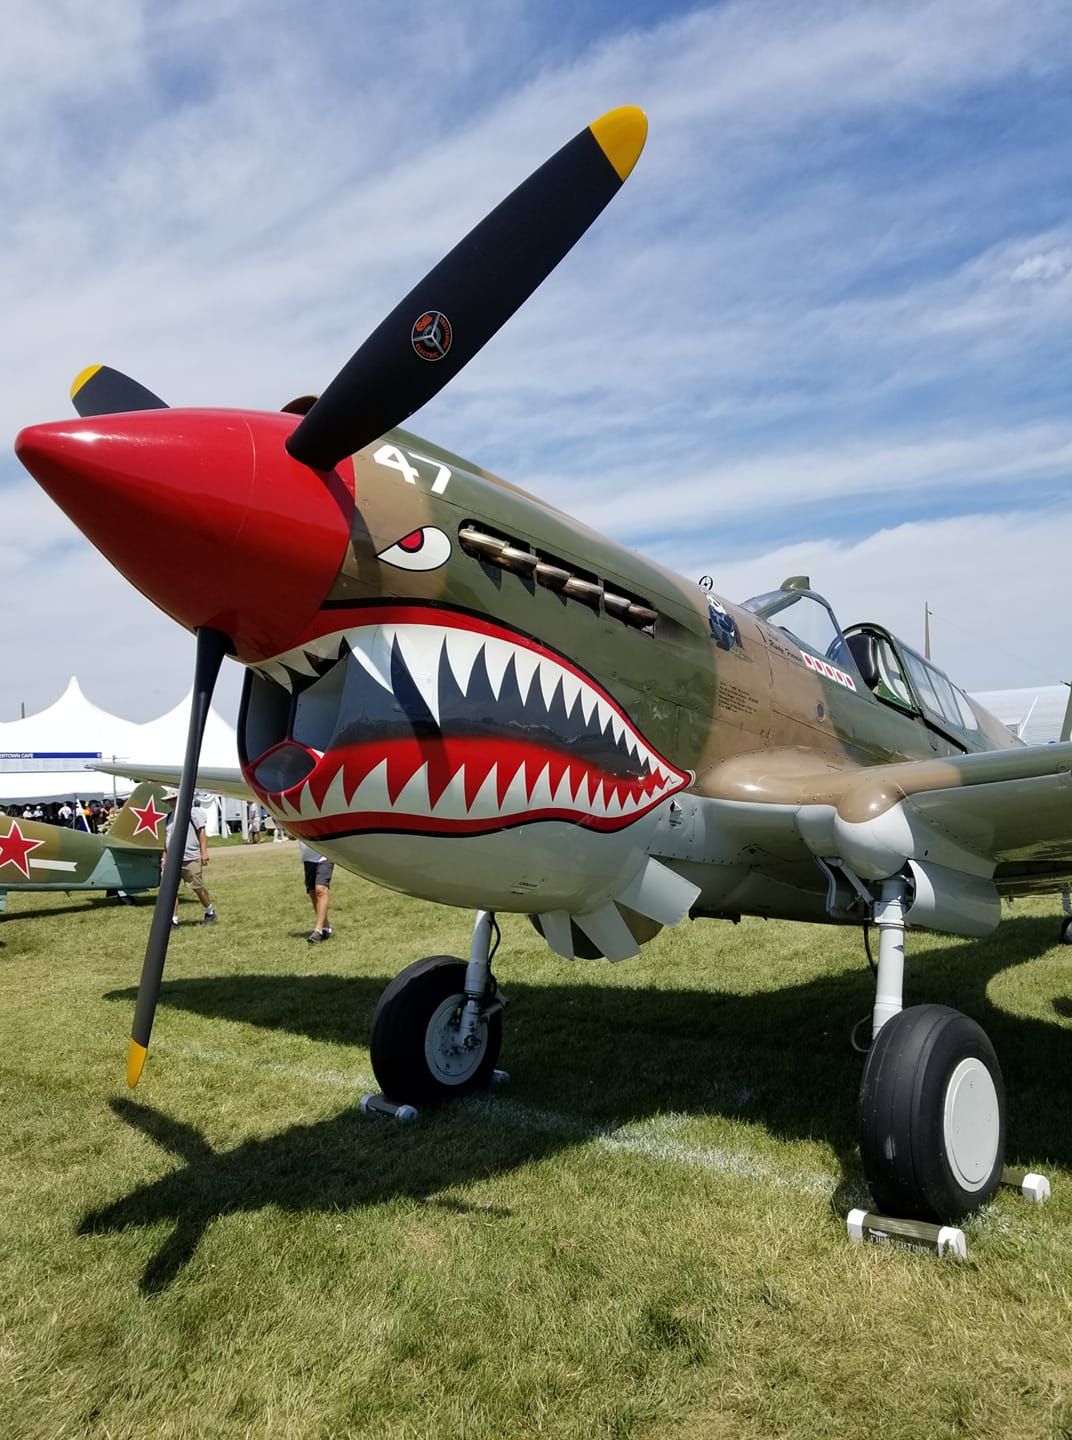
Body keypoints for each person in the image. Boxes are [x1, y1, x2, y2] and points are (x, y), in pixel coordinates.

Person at [162, 789, 218, 926]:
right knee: (171, 890)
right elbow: (167, 839)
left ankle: (209, 911)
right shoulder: (169, 817)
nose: (171, 802)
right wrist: (164, 857)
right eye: (169, 800)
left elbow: (201, 831)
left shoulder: (192, 812)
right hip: (173, 860)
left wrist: (204, 852)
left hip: (190, 857)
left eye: (173, 799)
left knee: (197, 886)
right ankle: (173, 919)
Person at [300, 841, 333, 943]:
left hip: (325, 855)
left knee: (320, 889)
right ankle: (325, 926)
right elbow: (291, 836)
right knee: (313, 892)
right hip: (308, 857)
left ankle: (318, 930)